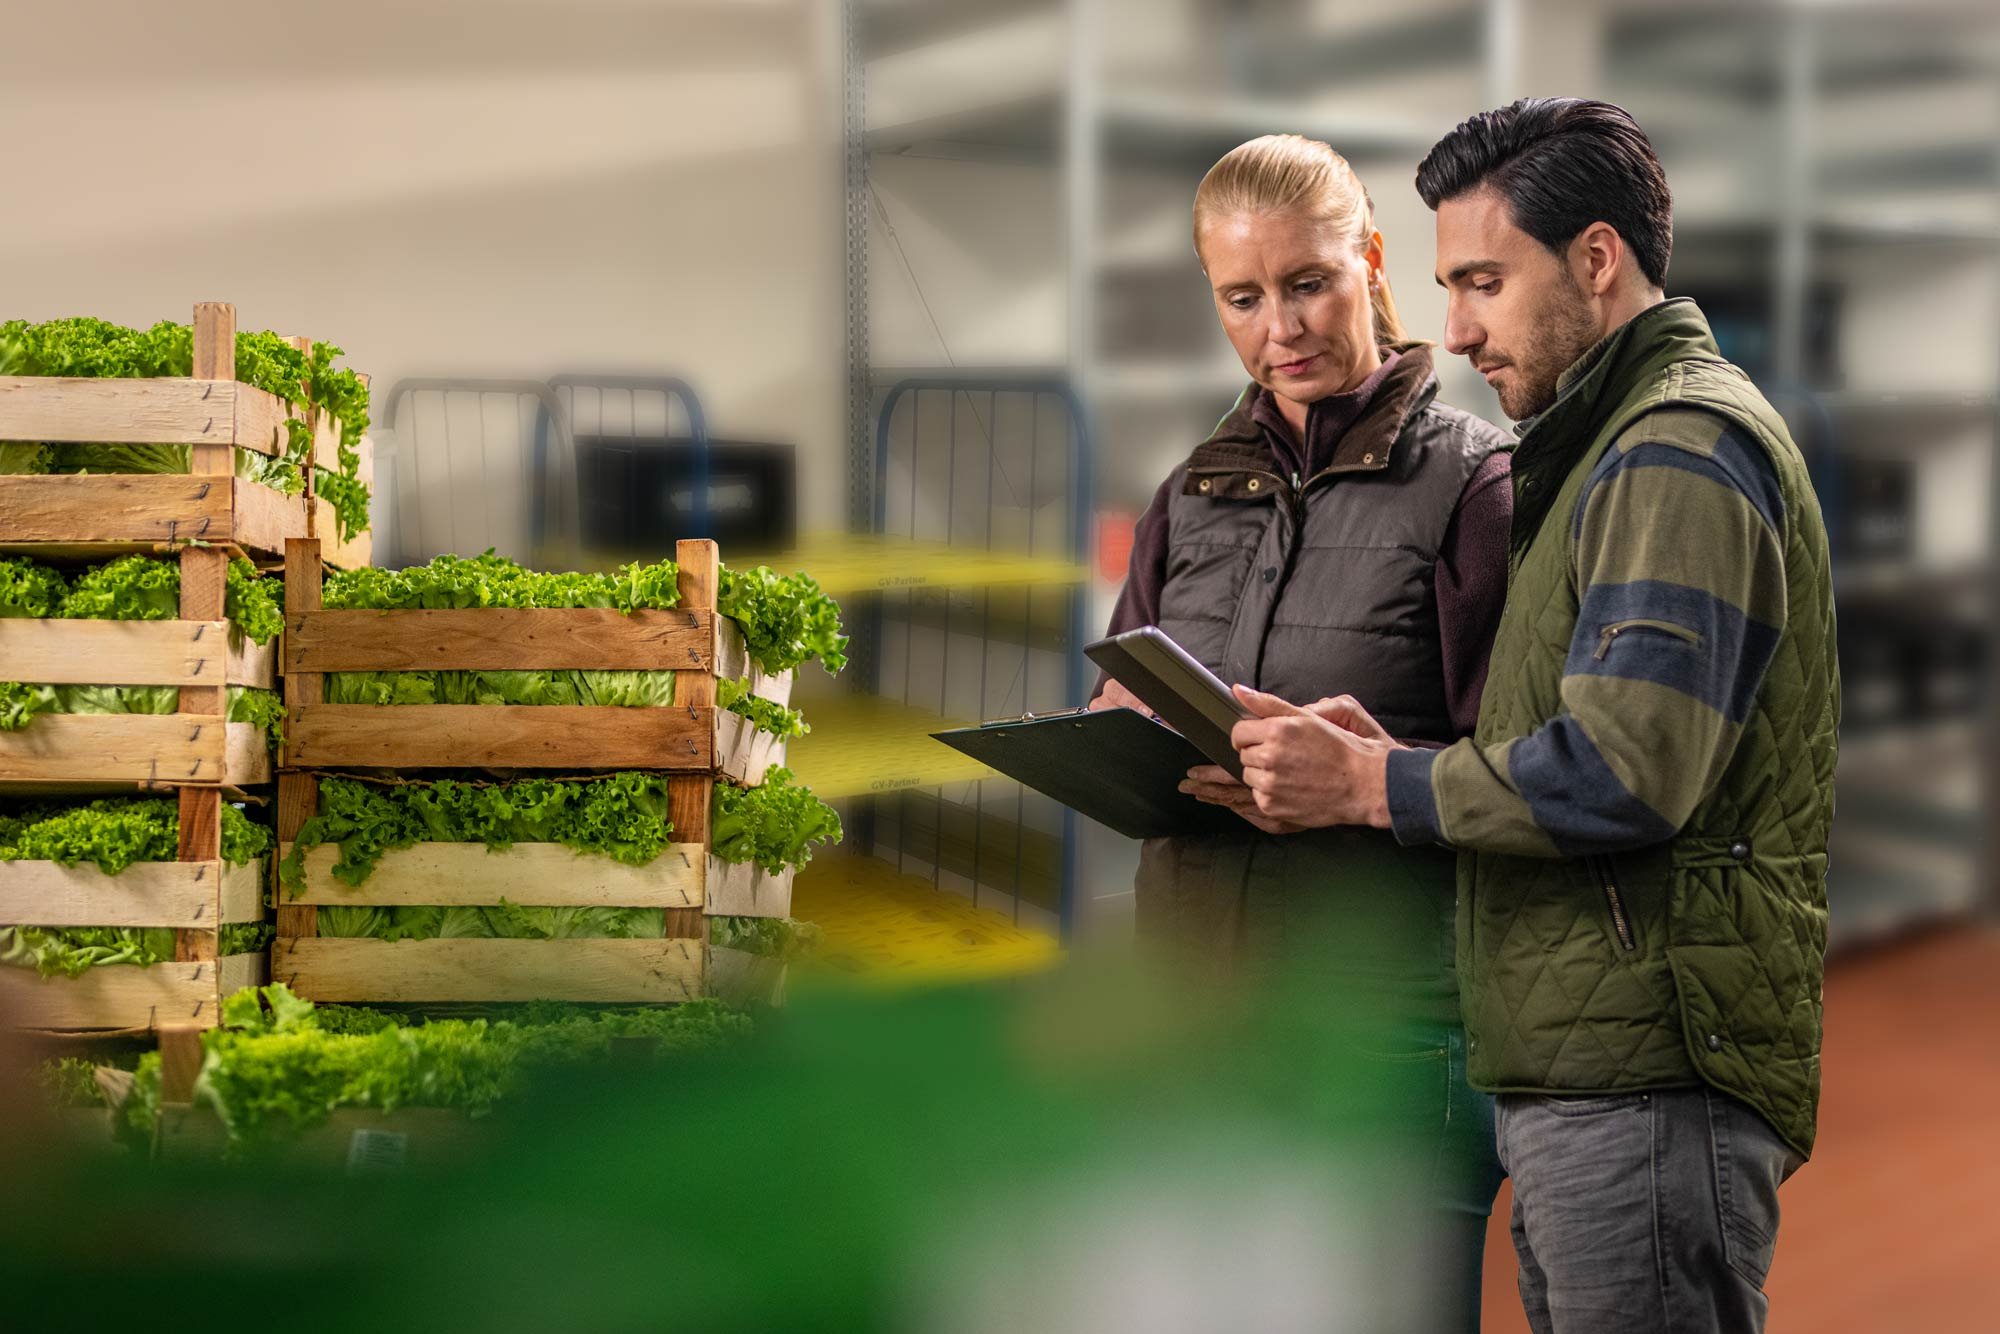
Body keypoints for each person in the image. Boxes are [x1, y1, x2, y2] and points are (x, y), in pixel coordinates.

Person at [1199, 99, 1838, 1333]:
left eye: (1484, 283)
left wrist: (1372, 786)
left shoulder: (1673, 449)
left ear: (1594, 259)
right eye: (1449, 287)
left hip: (1642, 1066)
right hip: (1585, 1058)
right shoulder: (1599, 451)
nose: (1455, 329)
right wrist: (1396, 758)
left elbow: (1625, 767)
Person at [1089, 133, 1514, 1331]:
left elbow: (1529, 773)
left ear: (1370, 260)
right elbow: (1130, 680)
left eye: (1307, 282)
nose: (1279, 326)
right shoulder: (1189, 493)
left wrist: (1367, 777)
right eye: (1241, 296)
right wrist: (1117, 738)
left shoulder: (1476, 485)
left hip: (1383, 1017)